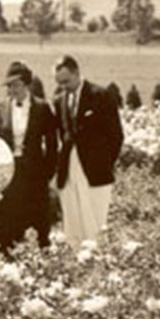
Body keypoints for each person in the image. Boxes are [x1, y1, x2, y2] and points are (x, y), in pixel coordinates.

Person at [0, 60, 58, 255]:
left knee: (36, 215)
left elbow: (52, 144)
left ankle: (38, 255)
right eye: (9, 86)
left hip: (34, 173)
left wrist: (47, 172)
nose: (13, 90)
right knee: (8, 215)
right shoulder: (0, 108)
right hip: (7, 172)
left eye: (17, 85)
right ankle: (5, 254)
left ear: (27, 84)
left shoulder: (42, 108)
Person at [52, 55, 123, 246]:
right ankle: (74, 255)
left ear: (77, 73)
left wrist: (104, 163)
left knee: (95, 221)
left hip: (95, 171)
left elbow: (116, 136)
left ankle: (96, 258)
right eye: (59, 83)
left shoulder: (101, 96)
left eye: (66, 81)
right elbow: (62, 136)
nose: (63, 87)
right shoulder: (59, 101)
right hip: (68, 170)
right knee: (72, 221)